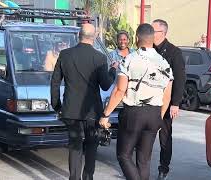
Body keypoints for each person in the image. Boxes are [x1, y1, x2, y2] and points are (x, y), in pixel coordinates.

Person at [100, 23, 174, 180]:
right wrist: (159, 116)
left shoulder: (129, 60)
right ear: (153, 39)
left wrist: (106, 114)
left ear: (136, 38)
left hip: (134, 113)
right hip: (155, 113)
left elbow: (120, 90)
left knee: (124, 155)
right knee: (144, 161)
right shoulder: (164, 63)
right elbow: (167, 95)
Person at [51, 23, 118, 180]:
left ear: (78, 36)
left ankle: (74, 177)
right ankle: (88, 177)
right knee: (91, 146)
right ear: (94, 38)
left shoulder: (65, 54)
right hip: (92, 111)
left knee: (75, 147)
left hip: (70, 109)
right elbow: (106, 84)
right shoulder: (100, 57)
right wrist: (113, 70)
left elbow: (55, 82)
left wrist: (57, 106)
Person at [151, 19, 186, 180]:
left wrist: (176, 103)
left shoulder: (174, 52)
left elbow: (180, 79)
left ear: (162, 33)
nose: (151, 33)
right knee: (145, 134)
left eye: (153, 30)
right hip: (148, 100)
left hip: (166, 102)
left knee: (164, 137)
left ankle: (163, 168)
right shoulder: (147, 49)